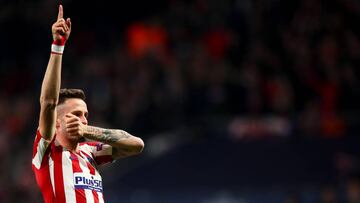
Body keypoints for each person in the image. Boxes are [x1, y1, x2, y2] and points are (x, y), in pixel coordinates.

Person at [31, 5, 144, 203]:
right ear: (56, 122)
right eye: (76, 114)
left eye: (85, 114)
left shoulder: (89, 151)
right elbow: (48, 102)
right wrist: (58, 47)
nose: (83, 119)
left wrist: (88, 131)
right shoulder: (47, 151)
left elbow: (136, 145)